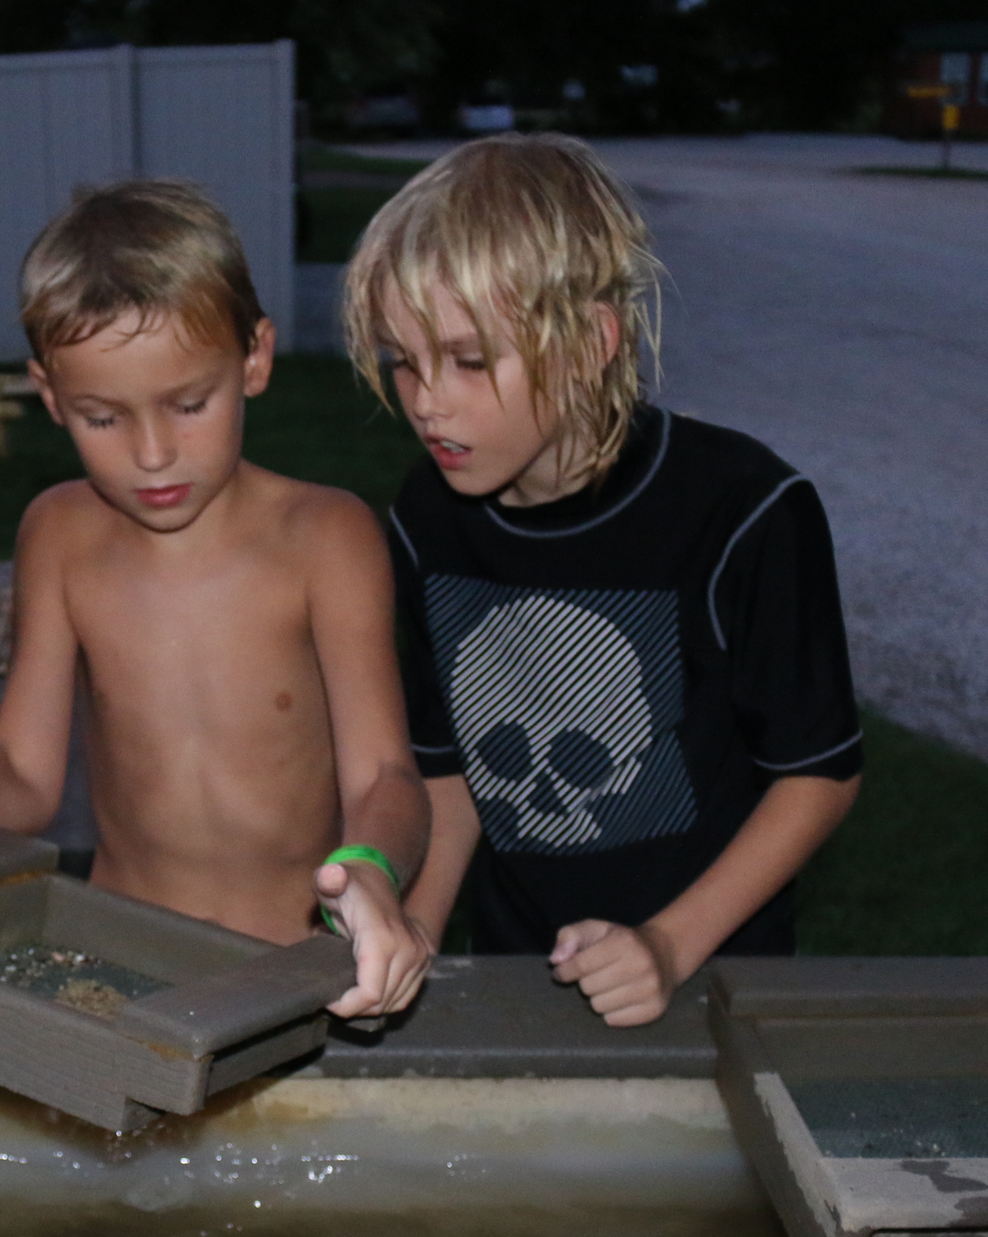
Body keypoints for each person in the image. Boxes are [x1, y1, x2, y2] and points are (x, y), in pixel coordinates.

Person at [0, 180, 432, 1018]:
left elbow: (387, 775)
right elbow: (24, 775)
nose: (153, 454)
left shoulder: (327, 536)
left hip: (293, 972)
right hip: (113, 969)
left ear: (254, 359)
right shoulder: (59, 534)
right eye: (102, 417)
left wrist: (371, 865)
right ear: (49, 397)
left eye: (189, 405)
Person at [343, 135, 862, 1027]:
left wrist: (667, 943)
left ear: (588, 343)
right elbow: (451, 768)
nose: (427, 401)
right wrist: (418, 927)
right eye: (402, 360)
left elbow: (819, 773)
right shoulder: (427, 516)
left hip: (716, 976)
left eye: (469, 361)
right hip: (516, 972)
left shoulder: (745, 509)